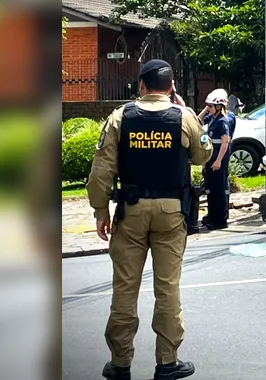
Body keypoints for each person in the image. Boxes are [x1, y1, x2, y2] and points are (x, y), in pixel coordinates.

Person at [87, 59, 212, 380]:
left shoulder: (120, 117)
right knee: (167, 288)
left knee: (125, 289)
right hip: (172, 211)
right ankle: (168, 362)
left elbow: (101, 170)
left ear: (141, 85)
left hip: (130, 211)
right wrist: (189, 115)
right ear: (171, 87)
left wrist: (101, 210)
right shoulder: (182, 117)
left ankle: (120, 363)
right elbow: (203, 154)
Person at [198, 89, 233, 230]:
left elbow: (225, 142)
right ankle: (212, 216)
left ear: (219, 106)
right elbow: (198, 120)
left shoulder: (222, 122)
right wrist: (207, 107)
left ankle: (220, 220)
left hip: (218, 161)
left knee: (219, 191)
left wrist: (218, 160)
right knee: (210, 191)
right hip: (211, 160)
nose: (208, 109)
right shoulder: (213, 119)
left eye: (211, 106)